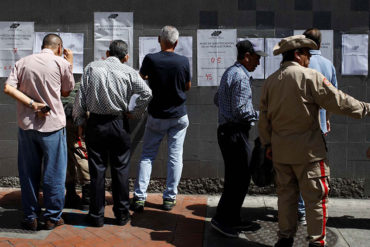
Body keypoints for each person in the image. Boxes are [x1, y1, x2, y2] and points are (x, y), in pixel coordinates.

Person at [258, 35, 370, 247]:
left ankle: (285, 238)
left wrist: (268, 144)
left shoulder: (270, 81)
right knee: (315, 200)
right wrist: (365, 108)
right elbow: (339, 102)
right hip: (309, 153)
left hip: (281, 152)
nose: (309, 58)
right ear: (298, 55)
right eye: (307, 54)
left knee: (286, 198)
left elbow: (264, 119)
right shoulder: (310, 77)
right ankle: (316, 242)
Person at [73, 40, 152, 227]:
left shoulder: (91, 68)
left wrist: (80, 122)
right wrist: (135, 113)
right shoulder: (130, 72)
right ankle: (122, 215)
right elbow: (147, 93)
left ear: (107, 53)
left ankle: (96, 216)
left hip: (96, 124)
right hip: (118, 123)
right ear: (125, 57)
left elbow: (80, 98)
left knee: (97, 171)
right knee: (120, 170)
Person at [4, 34, 75, 231]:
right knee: (54, 172)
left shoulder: (23, 62)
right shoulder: (60, 63)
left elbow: (8, 88)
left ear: (42, 45)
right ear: (59, 47)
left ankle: (30, 216)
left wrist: (32, 103)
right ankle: (52, 217)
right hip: (52, 126)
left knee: (28, 173)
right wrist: (69, 63)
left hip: (27, 126)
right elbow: (67, 91)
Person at [211, 39, 267, 238]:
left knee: (237, 177)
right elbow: (242, 111)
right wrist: (264, 114)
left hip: (227, 131)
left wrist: (227, 112)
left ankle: (232, 218)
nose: (258, 63)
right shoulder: (241, 77)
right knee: (240, 178)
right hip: (234, 132)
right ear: (247, 56)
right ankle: (222, 219)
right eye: (257, 59)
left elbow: (217, 99)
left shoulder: (230, 72)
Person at [131, 25, 191, 212]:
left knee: (147, 156)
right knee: (175, 157)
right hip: (179, 115)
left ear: (159, 39)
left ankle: (140, 197)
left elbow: (140, 81)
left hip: (156, 115)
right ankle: (169, 198)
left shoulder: (151, 59)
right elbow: (187, 86)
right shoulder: (183, 61)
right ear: (177, 42)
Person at [296, 28, 339, 226]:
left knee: (295, 168)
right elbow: (333, 99)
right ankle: (308, 210)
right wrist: (326, 119)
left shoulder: (298, 63)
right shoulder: (328, 65)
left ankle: (299, 208)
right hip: (319, 127)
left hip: (297, 126)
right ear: (320, 44)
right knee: (314, 171)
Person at [63, 83, 90, 211]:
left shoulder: (73, 82)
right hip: (73, 120)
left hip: (60, 120)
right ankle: (88, 197)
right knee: (80, 153)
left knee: (68, 156)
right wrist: (80, 126)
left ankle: (71, 194)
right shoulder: (86, 81)